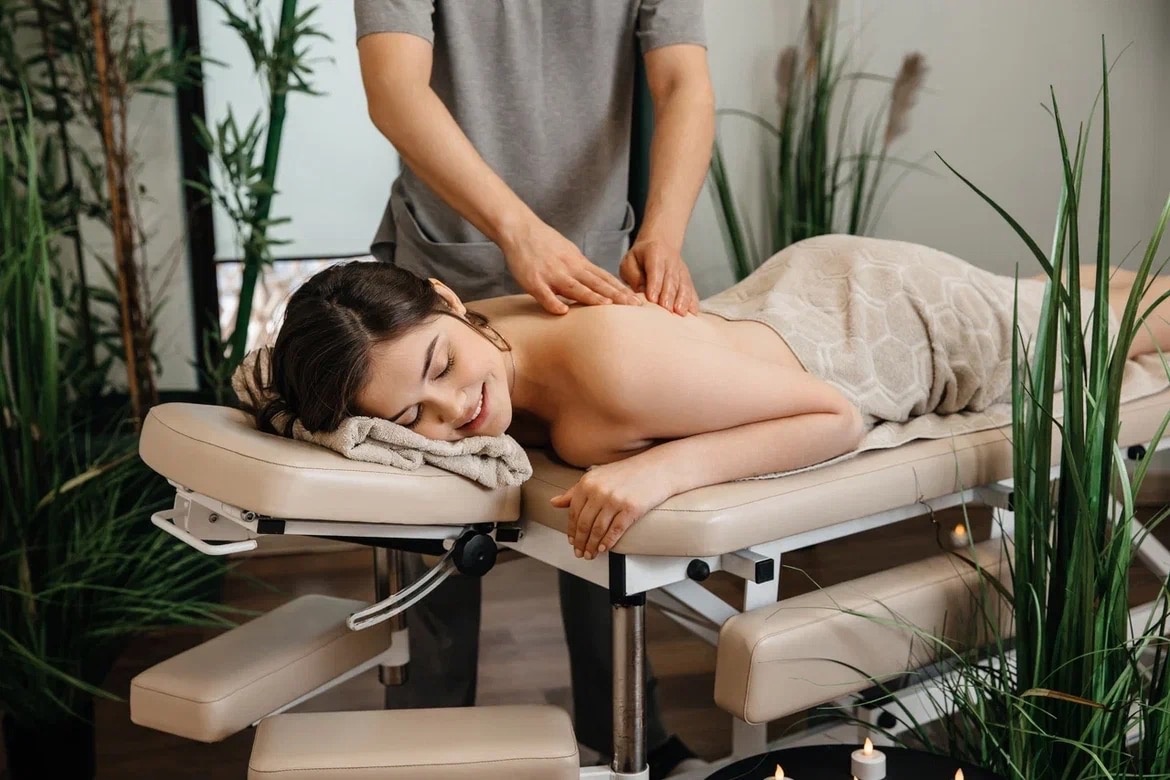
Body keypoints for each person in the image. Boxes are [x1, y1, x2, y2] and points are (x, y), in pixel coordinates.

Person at [252, 232, 1170, 562]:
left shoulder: (606, 367)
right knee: (1056, 297)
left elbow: (836, 417)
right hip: (793, 300)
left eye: (442, 367)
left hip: (891, 327)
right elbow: (283, 383)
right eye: (410, 418)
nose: (453, 411)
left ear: (448, 301)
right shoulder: (477, 330)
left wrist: (661, 473)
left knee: (1115, 328)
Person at [350, 2, 715, 776]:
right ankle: (423, 752)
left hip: (594, 272)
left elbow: (683, 80)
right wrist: (515, 229)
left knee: (601, 505)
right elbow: (393, 86)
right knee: (435, 549)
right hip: (443, 284)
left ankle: (632, 734)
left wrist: (663, 233)